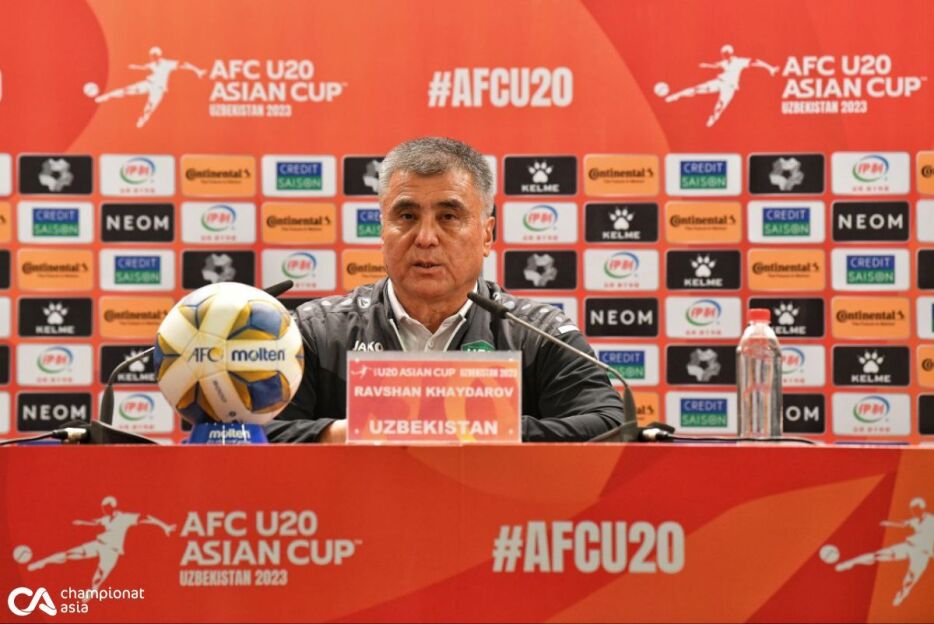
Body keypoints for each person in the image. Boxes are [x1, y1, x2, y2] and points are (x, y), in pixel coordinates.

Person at [265, 137, 630, 443]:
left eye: (449, 217)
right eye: (407, 216)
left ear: (486, 235)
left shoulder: (537, 334)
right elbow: (256, 433)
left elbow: (611, 425)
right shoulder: (317, 332)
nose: (425, 238)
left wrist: (469, 430)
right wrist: (348, 433)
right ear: (382, 230)